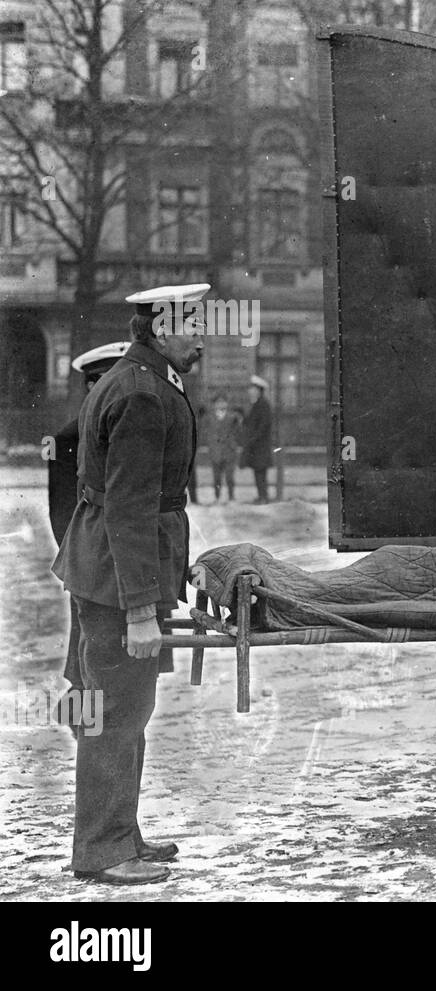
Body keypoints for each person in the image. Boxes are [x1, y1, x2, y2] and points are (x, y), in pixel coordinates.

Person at [51, 282, 207, 885]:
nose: (202, 341)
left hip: (108, 574)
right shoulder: (142, 394)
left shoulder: (137, 379)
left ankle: (122, 834)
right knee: (116, 715)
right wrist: (142, 608)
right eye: (194, 328)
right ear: (161, 328)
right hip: (118, 583)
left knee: (125, 712)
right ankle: (103, 850)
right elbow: (130, 508)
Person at [47, 342, 130, 724]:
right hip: (93, 562)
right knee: (90, 661)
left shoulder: (118, 427)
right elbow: (64, 514)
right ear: (95, 384)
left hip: (123, 562)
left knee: (122, 672)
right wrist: (87, 558)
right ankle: (84, 725)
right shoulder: (73, 437)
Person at [242, 374, 273, 503]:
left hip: (261, 445)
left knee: (260, 471)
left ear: (259, 391)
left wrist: (253, 439)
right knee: (258, 471)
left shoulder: (263, 405)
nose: (250, 391)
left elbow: (263, 426)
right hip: (257, 445)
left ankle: (263, 497)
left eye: (253, 389)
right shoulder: (256, 404)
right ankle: (262, 496)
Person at [207, 394, 241, 502]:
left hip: (229, 451)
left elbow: (238, 432)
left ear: (226, 404)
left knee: (229, 476)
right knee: (217, 478)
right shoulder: (210, 418)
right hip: (216, 451)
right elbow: (207, 433)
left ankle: (231, 497)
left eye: (223, 402)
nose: (220, 404)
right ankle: (217, 498)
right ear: (214, 405)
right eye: (218, 402)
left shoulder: (232, 417)